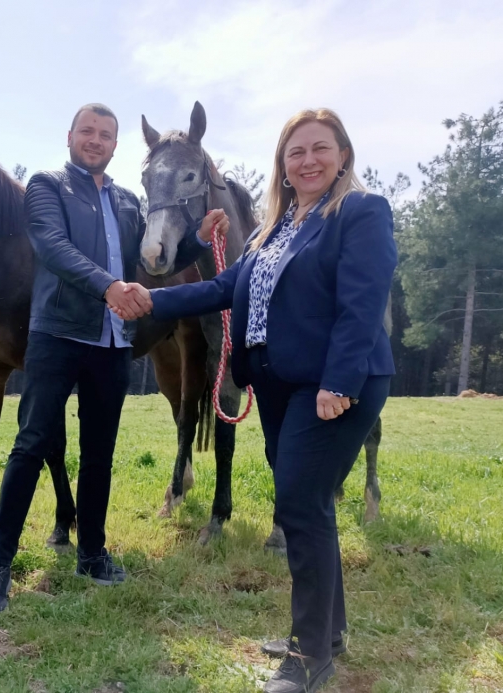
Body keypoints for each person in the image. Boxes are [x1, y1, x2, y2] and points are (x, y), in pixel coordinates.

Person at [116, 109, 396, 693]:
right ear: (283, 166)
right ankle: (327, 632)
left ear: (343, 154)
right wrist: (152, 298)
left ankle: (309, 656)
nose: (308, 160)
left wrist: (339, 383)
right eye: (296, 152)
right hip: (276, 383)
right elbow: (223, 287)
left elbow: (363, 304)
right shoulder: (277, 226)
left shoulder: (361, 213)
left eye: (321, 148)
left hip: (330, 387)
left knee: (298, 506)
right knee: (308, 504)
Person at [0, 103, 207, 614]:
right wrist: (108, 287)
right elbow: (53, 248)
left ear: (116, 145)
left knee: (100, 452)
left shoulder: (127, 201)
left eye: (105, 134)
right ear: (70, 136)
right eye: (87, 131)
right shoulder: (46, 186)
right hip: (58, 334)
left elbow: (147, 261)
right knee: (31, 445)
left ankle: (92, 553)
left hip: (113, 343)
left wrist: (194, 242)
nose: (95, 140)